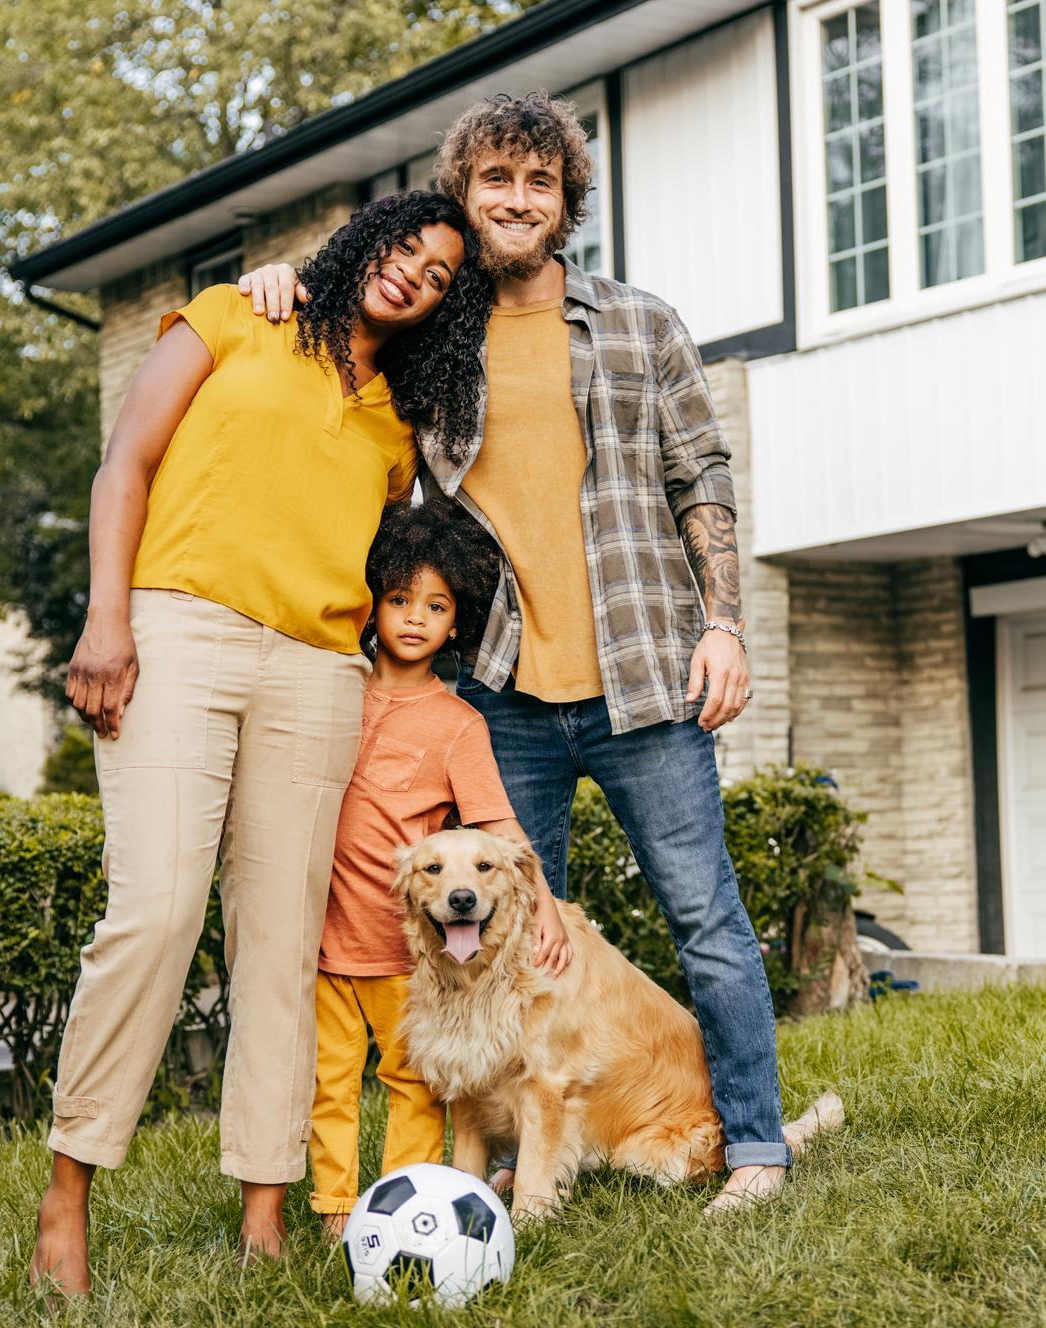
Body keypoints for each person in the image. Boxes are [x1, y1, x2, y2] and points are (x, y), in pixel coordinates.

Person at [239, 92, 787, 1216]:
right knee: (509, 942)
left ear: (565, 201)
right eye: (496, 180)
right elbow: (347, 312)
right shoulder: (435, 343)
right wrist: (278, 279)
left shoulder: (639, 324)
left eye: (539, 183)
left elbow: (704, 479)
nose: (517, 201)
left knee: (706, 922)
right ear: (466, 192)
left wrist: (724, 625)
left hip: (644, 683)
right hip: (499, 699)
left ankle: (757, 1146)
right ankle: (518, 1153)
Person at [30, 190, 493, 1297]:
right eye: (405, 251)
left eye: (437, 278)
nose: (412, 277)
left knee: (283, 943)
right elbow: (124, 466)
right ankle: (67, 1192)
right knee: (155, 910)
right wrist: (107, 618)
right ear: (363, 243)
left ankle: (267, 1214)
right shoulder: (237, 316)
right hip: (177, 627)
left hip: (316, 671)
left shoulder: (394, 425)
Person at [308, 497, 568, 1238]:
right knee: (327, 1085)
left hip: (403, 957)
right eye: (399, 600)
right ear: (372, 604)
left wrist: (544, 904)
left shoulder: (459, 725)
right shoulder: (334, 691)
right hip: (324, 943)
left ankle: (400, 1211)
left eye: (437, 605)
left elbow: (499, 828)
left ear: (458, 623)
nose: (416, 618)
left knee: (413, 1090)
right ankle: (334, 1213)